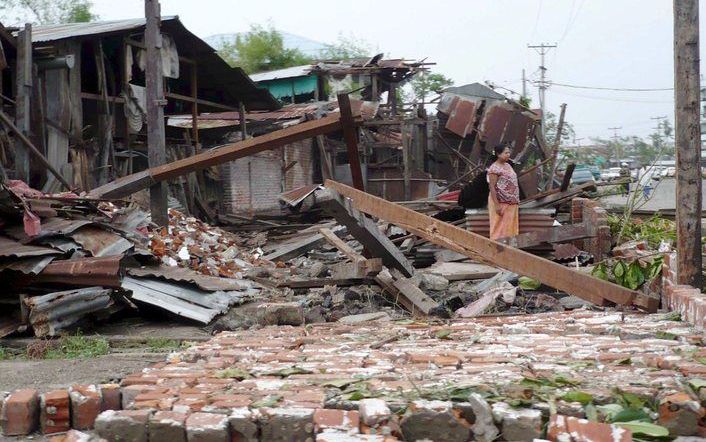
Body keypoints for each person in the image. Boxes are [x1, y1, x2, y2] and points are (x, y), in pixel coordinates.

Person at [487, 144, 519, 240]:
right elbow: (491, 187)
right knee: (499, 228)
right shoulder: (494, 168)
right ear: (498, 154)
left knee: (510, 228)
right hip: (500, 202)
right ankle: (497, 250)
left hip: (511, 203)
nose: (508, 155)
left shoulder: (508, 165)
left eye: (509, 152)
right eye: (506, 153)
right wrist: (497, 205)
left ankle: (509, 249)